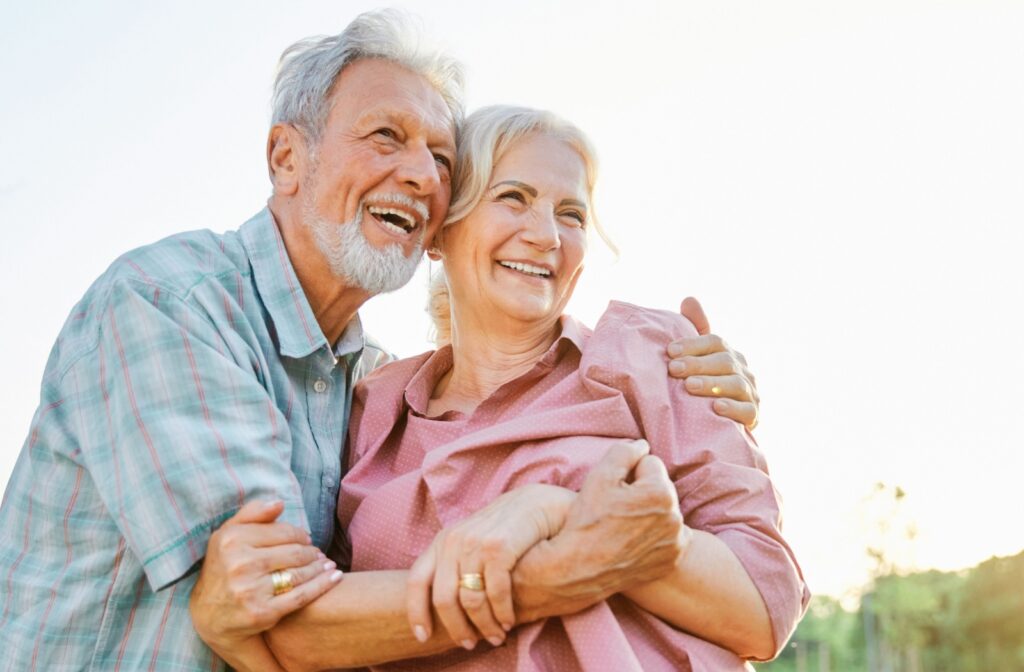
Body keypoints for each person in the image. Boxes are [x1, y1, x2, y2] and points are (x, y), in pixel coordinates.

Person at [0, 10, 759, 671]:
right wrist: (564, 562)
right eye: (386, 136)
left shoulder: (366, 385)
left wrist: (706, 397)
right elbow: (279, 615)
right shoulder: (171, 306)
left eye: (438, 157)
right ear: (285, 158)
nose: (418, 174)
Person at [191, 105, 807, 671]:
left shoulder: (655, 355)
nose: (546, 234)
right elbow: (307, 626)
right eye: (513, 198)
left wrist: (557, 511)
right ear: (438, 232)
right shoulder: (369, 412)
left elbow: (764, 606)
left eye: (572, 214)